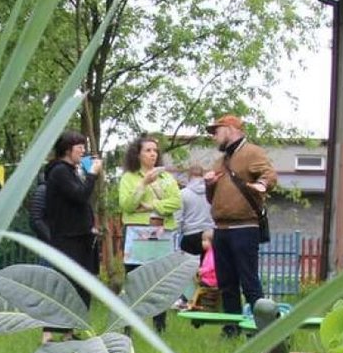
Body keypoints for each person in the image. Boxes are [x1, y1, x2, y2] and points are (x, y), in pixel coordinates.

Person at [203, 114, 277, 327]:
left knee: (249, 282)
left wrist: (262, 185)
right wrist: (209, 185)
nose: (214, 136)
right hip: (221, 229)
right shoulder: (220, 162)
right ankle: (231, 329)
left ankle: (262, 329)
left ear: (230, 128)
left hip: (244, 228)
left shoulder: (252, 152)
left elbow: (269, 174)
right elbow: (212, 199)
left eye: (216, 131)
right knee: (226, 284)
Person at [118, 134, 180, 332]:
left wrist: (151, 205)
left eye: (155, 150)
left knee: (159, 281)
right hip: (136, 234)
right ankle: (128, 327)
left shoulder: (166, 178)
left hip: (161, 233)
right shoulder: (129, 178)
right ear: (137, 154)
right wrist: (143, 184)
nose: (153, 154)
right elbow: (127, 205)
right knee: (134, 281)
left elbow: (176, 203)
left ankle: (159, 327)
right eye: (148, 150)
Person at [41, 130, 103, 305]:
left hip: (81, 236)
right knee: (68, 285)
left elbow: (81, 204)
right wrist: (92, 174)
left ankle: (70, 331)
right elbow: (80, 195)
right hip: (68, 238)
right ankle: (52, 330)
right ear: (68, 149)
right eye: (80, 147)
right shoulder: (60, 171)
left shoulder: (73, 171)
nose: (83, 150)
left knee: (82, 285)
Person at [174, 162, 216, 308]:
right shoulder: (211, 192)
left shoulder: (183, 193)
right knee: (207, 270)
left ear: (189, 176)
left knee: (187, 270)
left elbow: (178, 217)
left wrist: (178, 231)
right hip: (209, 234)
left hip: (190, 234)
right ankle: (206, 300)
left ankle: (186, 298)